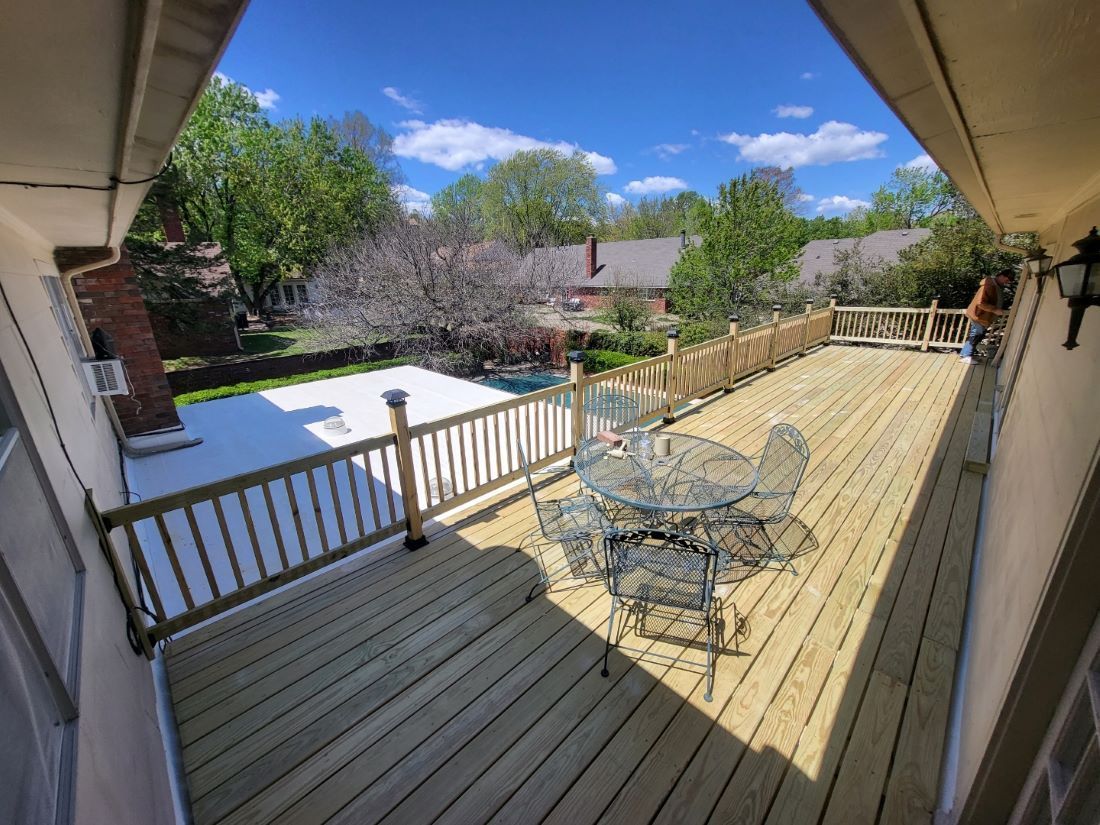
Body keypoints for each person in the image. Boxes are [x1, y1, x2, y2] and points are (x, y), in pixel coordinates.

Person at [959, 268, 1015, 363]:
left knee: (978, 335)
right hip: (978, 316)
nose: (1007, 283)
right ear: (1001, 276)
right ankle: (965, 356)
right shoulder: (989, 285)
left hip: (983, 317)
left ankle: (968, 355)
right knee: (976, 335)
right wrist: (995, 309)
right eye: (1006, 280)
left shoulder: (995, 286)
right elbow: (980, 303)